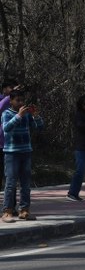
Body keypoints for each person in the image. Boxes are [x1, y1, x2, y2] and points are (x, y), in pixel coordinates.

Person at [2, 89, 44, 222]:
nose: (20, 103)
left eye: (22, 100)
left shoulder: (26, 115)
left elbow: (39, 127)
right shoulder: (6, 113)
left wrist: (36, 116)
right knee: (10, 183)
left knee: (26, 184)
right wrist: (18, 116)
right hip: (12, 153)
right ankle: (7, 211)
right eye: (17, 100)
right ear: (11, 101)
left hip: (26, 152)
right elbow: (6, 128)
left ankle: (24, 210)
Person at [0, 80, 20, 214]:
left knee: (11, 178)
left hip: (10, 146)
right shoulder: (4, 101)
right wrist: (9, 97)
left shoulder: (15, 104)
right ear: (4, 89)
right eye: (10, 88)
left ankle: (11, 207)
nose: (12, 89)